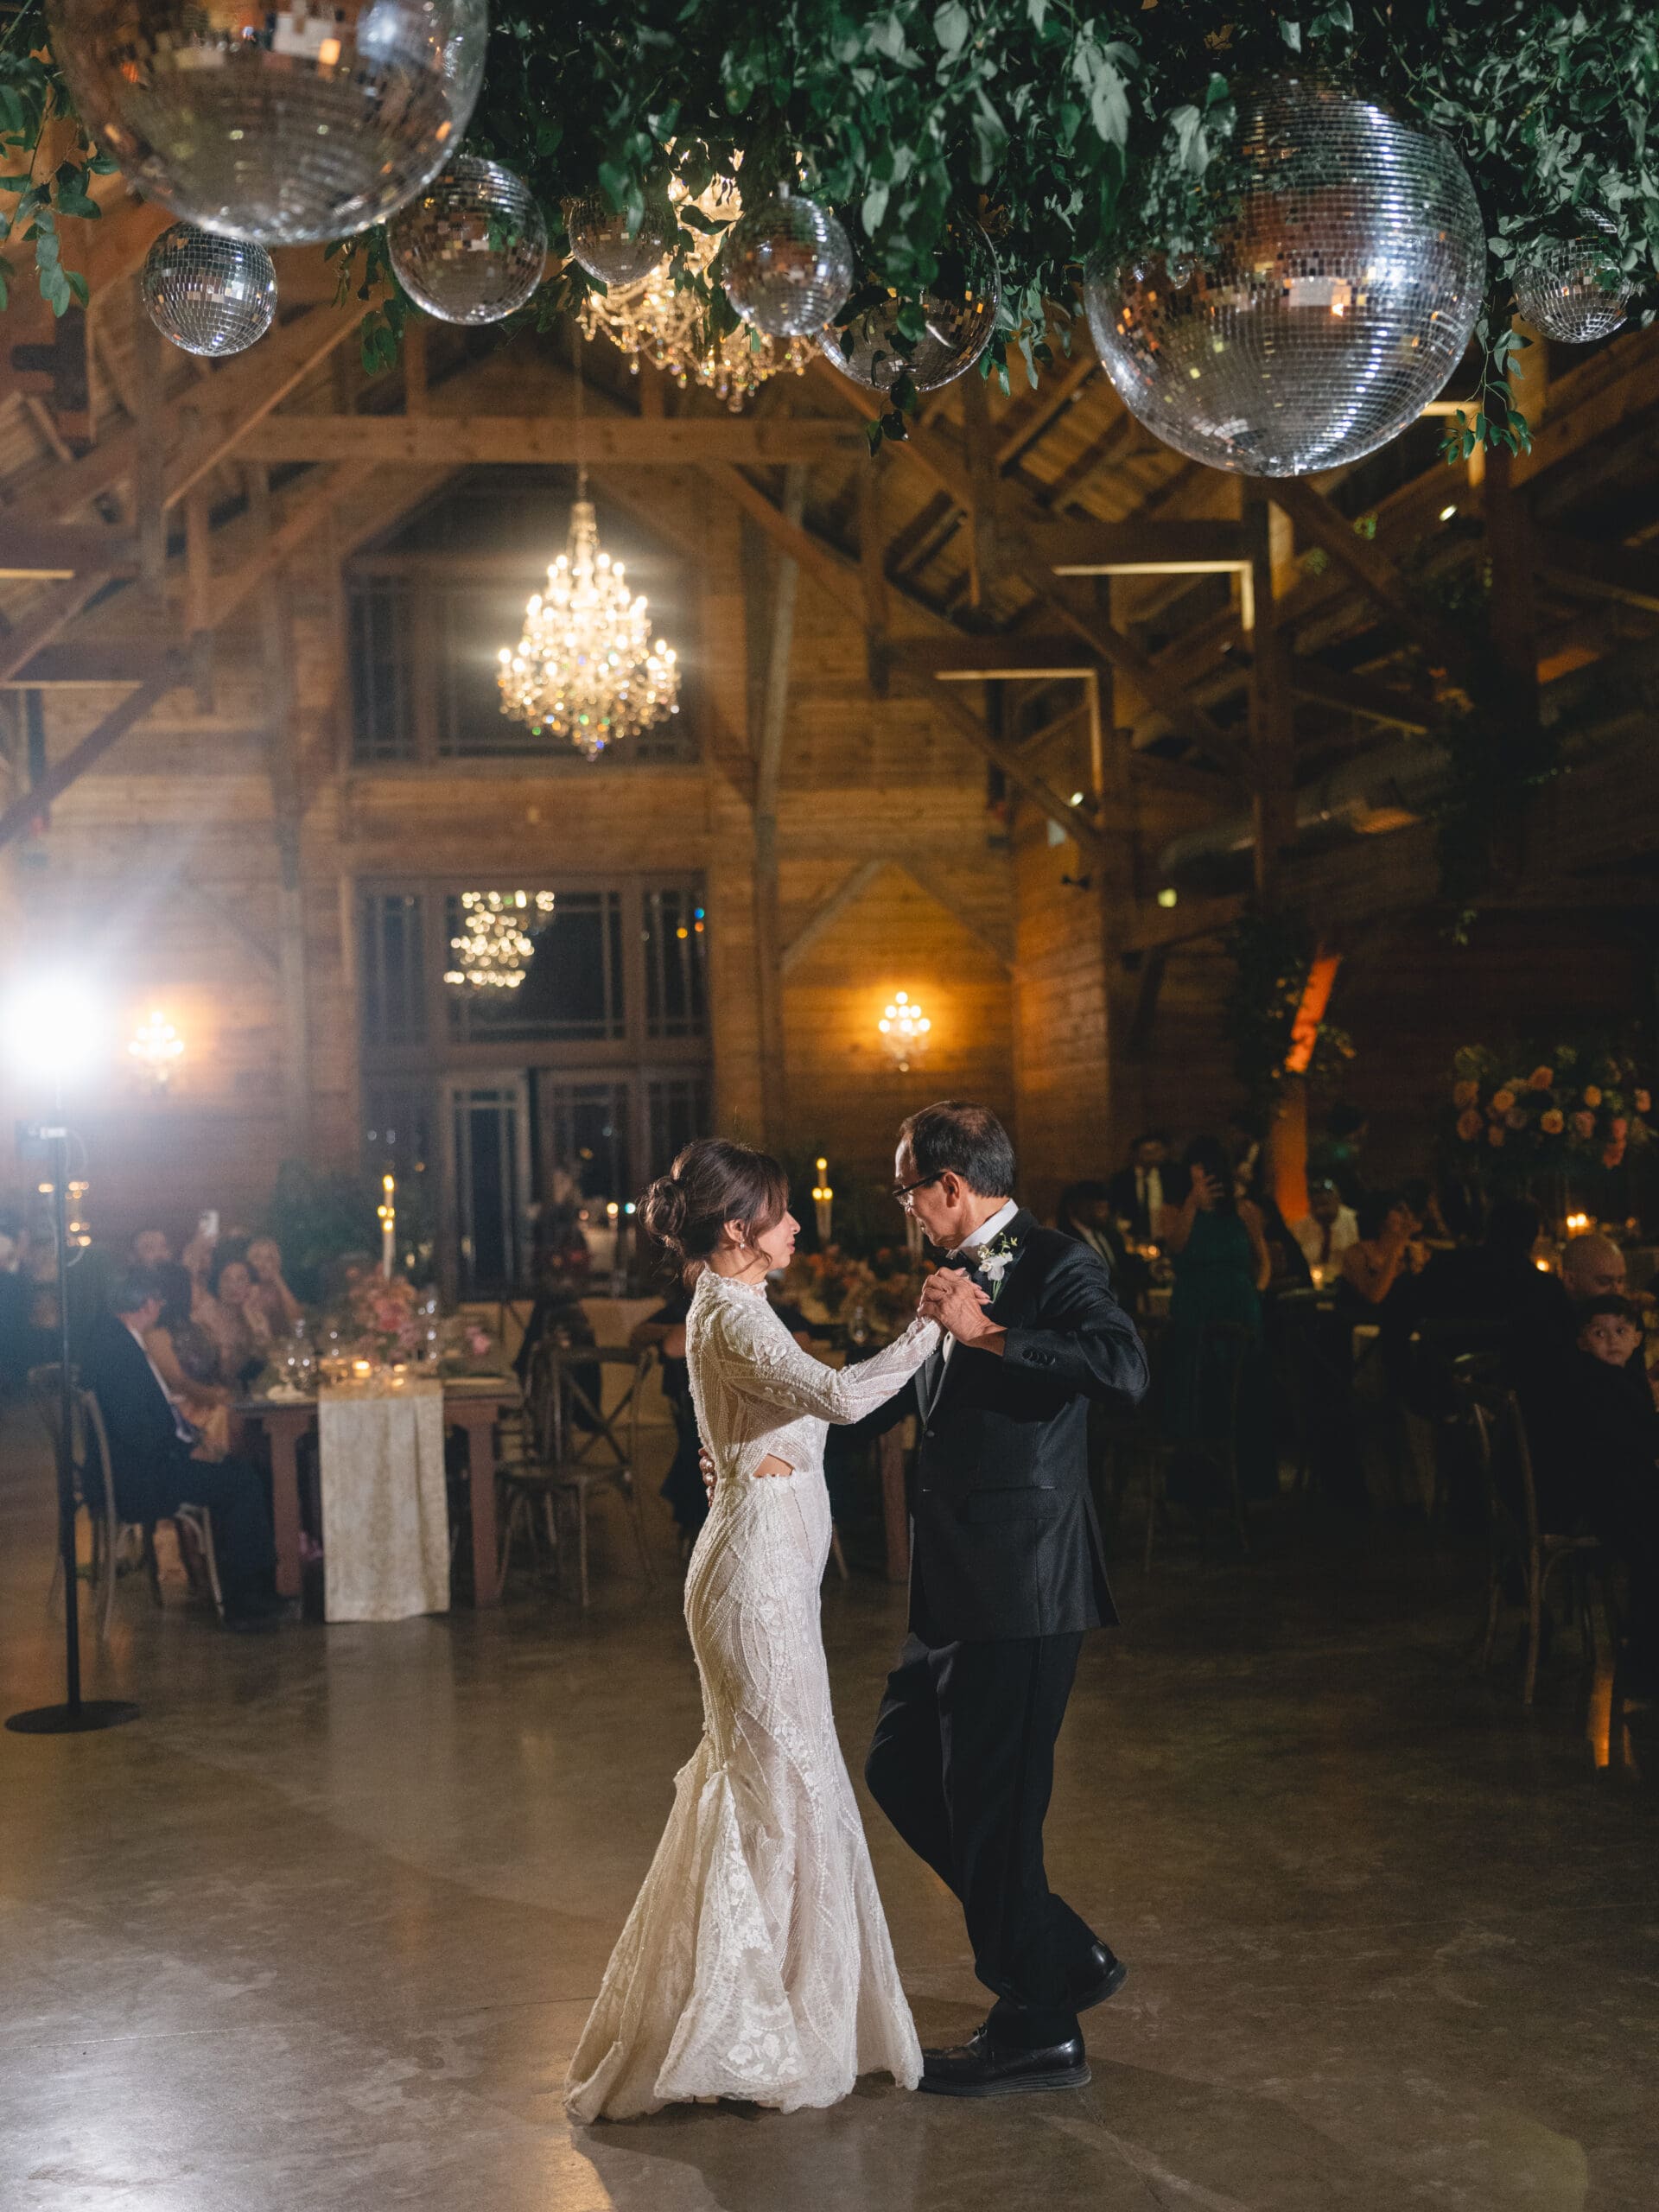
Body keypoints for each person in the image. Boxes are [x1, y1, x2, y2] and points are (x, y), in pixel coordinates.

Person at [565, 1139, 942, 2123]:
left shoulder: (738, 1309)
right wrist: (931, 1328)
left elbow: (782, 1422)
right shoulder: (732, 1314)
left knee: (779, 1782)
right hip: (752, 1586)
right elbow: (843, 1397)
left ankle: (764, 2002)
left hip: (768, 1573)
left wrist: (737, 1459)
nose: (797, 1226)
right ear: (739, 1230)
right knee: (783, 1784)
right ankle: (754, 2024)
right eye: (780, 1214)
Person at [864, 1101, 1149, 2100]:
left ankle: (1038, 2024)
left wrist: (987, 1332)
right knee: (900, 1768)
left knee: (997, 1811)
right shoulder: (945, 1276)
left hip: (1026, 1583)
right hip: (953, 1585)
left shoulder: (1058, 1263)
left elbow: (1123, 1367)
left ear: (950, 1185)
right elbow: (911, 1396)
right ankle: (1058, 1953)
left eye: (910, 1190)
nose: (905, 1209)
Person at [78, 1268, 283, 1632]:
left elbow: (146, 1419)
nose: (160, 1307)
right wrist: (186, 1450)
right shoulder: (120, 1352)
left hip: (136, 1468)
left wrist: (189, 1439)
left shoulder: (108, 1340)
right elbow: (137, 1428)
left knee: (241, 1472)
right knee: (244, 1479)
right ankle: (245, 1600)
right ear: (146, 1304)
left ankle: (255, 1583)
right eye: (157, 1301)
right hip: (142, 1479)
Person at [1159, 1135, 1276, 1504]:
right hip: (1195, 1306)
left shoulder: (1244, 1210)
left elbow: (1263, 1257)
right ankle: (1200, 1485)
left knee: (1244, 1391)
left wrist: (1256, 1290)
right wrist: (1194, 1202)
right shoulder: (1175, 1210)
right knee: (1196, 1390)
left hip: (1238, 1304)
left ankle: (1251, 1482)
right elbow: (1175, 1247)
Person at [143, 1261, 233, 1456]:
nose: (200, 1289)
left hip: (211, 1401)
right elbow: (178, 1381)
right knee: (227, 1415)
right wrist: (213, 1397)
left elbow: (220, 1370)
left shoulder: (197, 1326)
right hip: (188, 1412)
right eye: (194, 1283)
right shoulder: (156, 1334)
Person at [1338, 1191, 1423, 1312]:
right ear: (1381, 1215)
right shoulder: (1357, 1253)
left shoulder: (1411, 1252)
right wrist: (1396, 1248)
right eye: (1399, 1210)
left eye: (1408, 1210)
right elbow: (1374, 1297)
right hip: (1366, 1325)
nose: (1407, 1215)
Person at [1106, 1131, 1168, 1243]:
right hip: (1132, 1240)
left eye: (1156, 1151)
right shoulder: (1122, 1180)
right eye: (1147, 1152)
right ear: (1136, 1154)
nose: (1152, 1157)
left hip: (1164, 1239)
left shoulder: (1171, 1177)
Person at [1293, 1178, 1359, 1278]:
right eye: (1315, 1205)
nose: (1320, 1210)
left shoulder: (1355, 1222)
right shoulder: (1300, 1227)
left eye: (1325, 1204)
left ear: (1337, 1200)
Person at [244, 1236, 304, 1336]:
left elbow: (298, 1319)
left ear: (276, 1263)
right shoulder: (243, 1289)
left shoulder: (279, 1290)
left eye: (269, 1259)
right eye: (257, 1257)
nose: (262, 1264)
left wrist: (278, 1279)